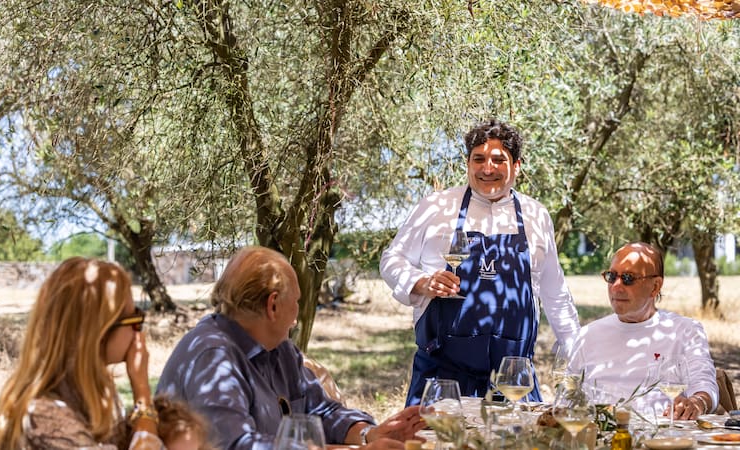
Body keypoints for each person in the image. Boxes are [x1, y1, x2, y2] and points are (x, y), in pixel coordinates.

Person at [379, 118, 581, 406]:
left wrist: (577, 357)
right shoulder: (437, 207)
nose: (488, 168)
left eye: (499, 160)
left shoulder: (536, 216)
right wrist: (421, 282)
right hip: (441, 381)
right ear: (468, 163)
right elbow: (391, 259)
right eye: (479, 159)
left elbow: (555, 294)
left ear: (517, 166)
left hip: (514, 383)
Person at [156, 246, 425, 450]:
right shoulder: (213, 358)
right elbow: (236, 444)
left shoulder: (280, 350)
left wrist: (368, 434)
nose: (297, 316)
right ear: (273, 305)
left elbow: (322, 410)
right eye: (296, 301)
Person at [0, 257, 162, 449]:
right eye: (135, 318)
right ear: (98, 333)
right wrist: (142, 393)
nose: (139, 331)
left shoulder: (92, 394)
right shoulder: (46, 419)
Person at [568, 242, 718, 419]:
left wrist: (697, 403)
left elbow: (705, 385)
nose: (616, 286)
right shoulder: (588, 335)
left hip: (661, 438)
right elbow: (567, 398)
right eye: (611, 276)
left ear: (655, 287)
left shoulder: (685, 331)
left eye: (628, 278)